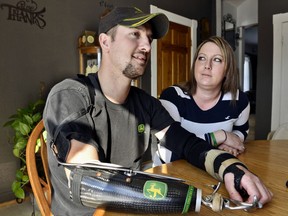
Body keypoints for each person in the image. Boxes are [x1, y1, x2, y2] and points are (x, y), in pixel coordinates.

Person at [43, 7, 272, 216]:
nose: (146, 46)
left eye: (149, 38)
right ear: (105, 42)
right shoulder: (70, 94)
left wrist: (232, 168)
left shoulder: (146, 104)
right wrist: (192, 199)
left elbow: (187, 144)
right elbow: (92, 182)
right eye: (135, 34)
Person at [154, 36, 249, 167]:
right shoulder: (173, 97)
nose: (207, 65)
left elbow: (241, 132)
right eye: (202, 58)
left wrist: (229, 142)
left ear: (227, 69)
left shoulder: (239, 100)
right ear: (195, 64)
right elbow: (172, 152)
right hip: (170, 173)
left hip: (212, 170)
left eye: (217, 60)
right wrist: (221, 136)